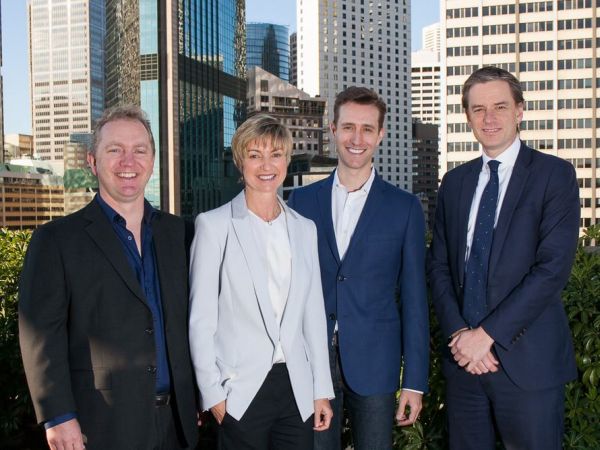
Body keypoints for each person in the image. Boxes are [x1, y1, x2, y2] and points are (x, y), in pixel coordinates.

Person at [19, 106, 199, 450]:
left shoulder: (182, 234)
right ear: (92, 160)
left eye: (139, 150)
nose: (128, 162)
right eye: (114, 150)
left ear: (152, 160)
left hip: (177, 423)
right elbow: (41, 334)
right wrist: (58, 416)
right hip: (99, 425)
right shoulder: (56, 240)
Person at [428, 66, 580, 449]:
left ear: (519, 110)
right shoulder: (455, 183)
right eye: (478, 109)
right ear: (468, 118)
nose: (489, 118)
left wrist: (487, 336)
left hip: (528, 366)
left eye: (499, 106)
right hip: (465, 366)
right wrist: (461, 335)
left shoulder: (554, 175)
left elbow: (552, 269)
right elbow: (440, 267)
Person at [288, 86, 429, 450]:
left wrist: (414, 380)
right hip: (311, 361)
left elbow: (415, 299)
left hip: (375, 362)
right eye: (348, 127)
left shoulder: (405, 208)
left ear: (381, 134)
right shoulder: (301, 201)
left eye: (367, 129)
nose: (357, 138)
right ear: (332, 130)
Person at [188, 114, 334, 449]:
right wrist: (213, 396)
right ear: (241, 163)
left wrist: (321, 390)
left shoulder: (304, 229)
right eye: (255, 155)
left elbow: (312, 316)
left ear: (287, 160)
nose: (266, 165)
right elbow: (201, 321)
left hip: (296, 390)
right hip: (240, 392)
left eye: (276, 154)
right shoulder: (214, 226)